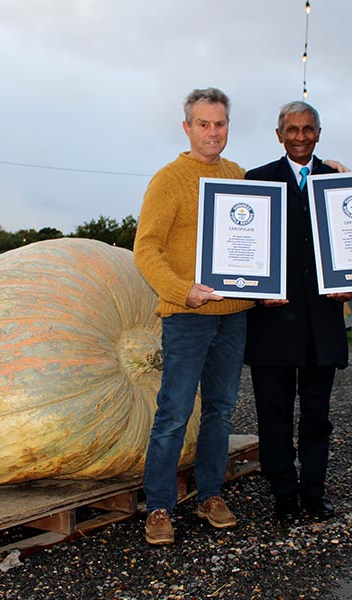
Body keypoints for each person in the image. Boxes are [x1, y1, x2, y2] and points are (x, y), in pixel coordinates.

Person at [134, 88, 254, 545]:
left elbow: (260, 237)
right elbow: (146, 248)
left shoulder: (240, 177)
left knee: (221, 411)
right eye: (203, 124)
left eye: (219, 124)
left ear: (228, 127)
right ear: (187, 128)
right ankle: (160, 506)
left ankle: (210, 495)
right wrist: (182, 290)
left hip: (234, 314)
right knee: (174, 412)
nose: (212, 132)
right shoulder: (169, 179)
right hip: (187, 314)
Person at [244, 101, 352, 523]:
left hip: (321, 325)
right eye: (292, 129)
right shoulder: (257, 181)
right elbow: (244, 252)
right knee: (273, 417)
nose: (301, 136)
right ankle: (283, 495)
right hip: (272, 323)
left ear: (319, 133)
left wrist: (351, 284)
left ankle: (314, 493)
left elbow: (351, 247)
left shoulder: (340, 182)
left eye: (309, 129)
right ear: (279, 134)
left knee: (316, 417)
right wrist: (255, 293)